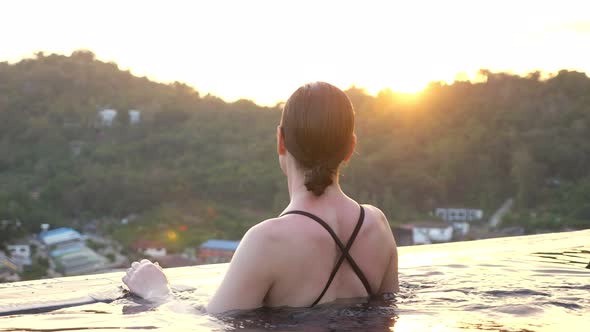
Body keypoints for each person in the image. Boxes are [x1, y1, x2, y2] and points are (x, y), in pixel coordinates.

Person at [123, 82, 399, 314]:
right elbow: (389, 311)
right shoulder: (377, 224)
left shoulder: (267, 241)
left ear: (280, 141)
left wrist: (157, 292)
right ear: (350, 147)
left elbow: (210, 324)